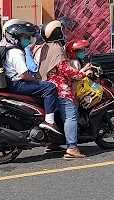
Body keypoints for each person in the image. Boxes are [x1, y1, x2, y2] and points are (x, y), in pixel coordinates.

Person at [34, 21, 91, 160]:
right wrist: (83, 73)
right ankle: (72, 148)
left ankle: (51, 142)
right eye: (61, 31)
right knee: (71, 116)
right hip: (60, 89)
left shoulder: (44, 47)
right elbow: (65, 70)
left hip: (46, 86)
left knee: (57, 116)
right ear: (57, 33)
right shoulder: (57, 49)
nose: (64, 34)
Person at [2, 21, 62, 136]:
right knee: (50, 88)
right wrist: (37, 81)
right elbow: (24, 75)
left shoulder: (8, 50)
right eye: (25, 37)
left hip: (12, 83)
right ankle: (49, 121)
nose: (28, 40)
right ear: (16, 38)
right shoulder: (16, 53)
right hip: (17, 84)